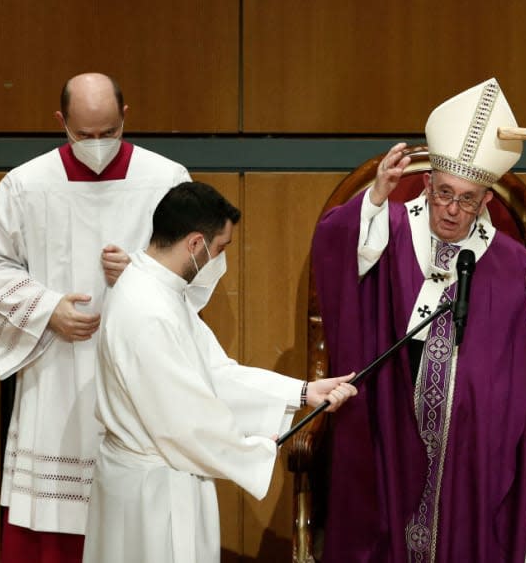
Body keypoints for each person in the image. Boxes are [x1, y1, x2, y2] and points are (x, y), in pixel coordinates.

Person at [311, 78, 526, 562]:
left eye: (468, 199)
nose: (452, 210)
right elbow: (334, 249)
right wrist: (373, 198)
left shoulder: (513, 259)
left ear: (488, 202)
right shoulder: (389, 226)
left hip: (472, 456)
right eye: (444, 193)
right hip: (391, 431)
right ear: (428, 184)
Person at [80, 181, 357, 563]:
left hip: (151, 480)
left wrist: (303, 392)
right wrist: (254, 450)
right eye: (220, 247)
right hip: (152, 496)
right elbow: (184, 421)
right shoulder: (148, 309)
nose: (220, 259)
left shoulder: (158, 290)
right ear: (195, 244)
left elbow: (214, 373)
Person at [0, 72, 191, 563]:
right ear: (61, 122)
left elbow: (204, 261)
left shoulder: (166, 180)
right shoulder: (25, 185)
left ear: (126, 117)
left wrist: (146, 272)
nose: (98, 146)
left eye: (109, 133)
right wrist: (45, 309)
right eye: (85, 135)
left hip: (138, 373)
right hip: (56, 372)